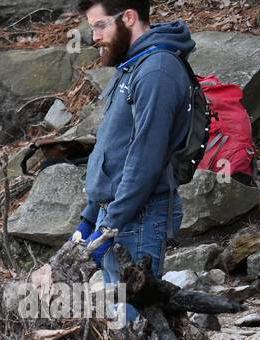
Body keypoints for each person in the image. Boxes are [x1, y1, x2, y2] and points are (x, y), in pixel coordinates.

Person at [74, 3, 194, 309]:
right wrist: (90, 217)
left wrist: (108, 227)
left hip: (140, 216)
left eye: (100, 26)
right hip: (118, 214)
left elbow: (145, 160)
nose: (94, 37)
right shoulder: (134, 65)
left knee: (136, 322)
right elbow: (113, 149)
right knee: (123, 323)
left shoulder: (157, 71)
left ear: (128, 17)